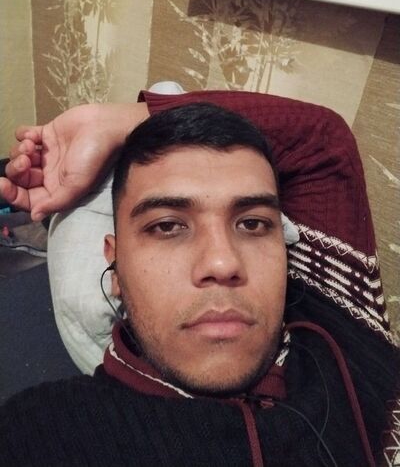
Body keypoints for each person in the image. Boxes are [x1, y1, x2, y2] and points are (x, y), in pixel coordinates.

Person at [0, 90, 399, 466]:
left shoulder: (338, 298)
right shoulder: (42, 434)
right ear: (116, 266)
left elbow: (324, 138)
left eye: (253, 224)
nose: (222, 263)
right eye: (167, 226)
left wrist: (108, 122)